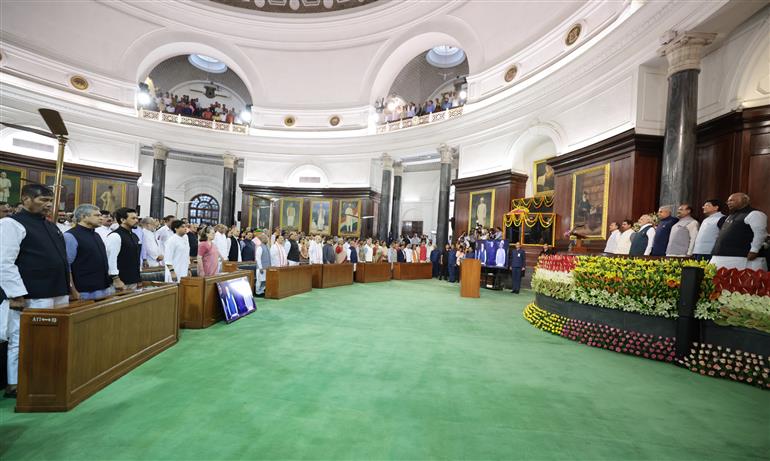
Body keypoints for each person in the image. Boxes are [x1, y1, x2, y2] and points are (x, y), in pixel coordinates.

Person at [0, 184, 70, 399]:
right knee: (22, 339)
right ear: (26, 199)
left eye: (51, 201)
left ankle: (44, 377)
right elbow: (4, 262)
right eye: (43, 200)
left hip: (56, 289)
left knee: (52, 338)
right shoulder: (10, 224)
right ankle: (15, 382)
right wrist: (15, 293)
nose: (49, 205)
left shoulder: (51, 226)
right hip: (30, 292)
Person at [63, 204, 114, 300]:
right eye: (97, 215)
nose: (101, 218)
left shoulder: (96, 235)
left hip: (103, 286)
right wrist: (73, 290)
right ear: (83, 217)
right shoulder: (70, 236)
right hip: (84, 290)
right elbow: (67, 266)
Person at [711, 193, 768, 271]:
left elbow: (760, 233)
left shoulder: (755, 213)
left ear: (744, 200)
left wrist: (754, 250)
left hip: (741, 259)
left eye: (732, 200)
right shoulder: (730, 216)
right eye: (727, 201)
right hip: (721, 257)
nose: (728, 203)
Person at [105, 207, 142, 290]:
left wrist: (138, 278)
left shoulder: (134, 236)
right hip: (120, 281)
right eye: (133, 218)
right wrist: (116, 279)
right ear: (122, 220)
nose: (136, 220)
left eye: (137, 218)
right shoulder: (115, 236)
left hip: (133, 279)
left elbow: (135, 258)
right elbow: (111, 259)